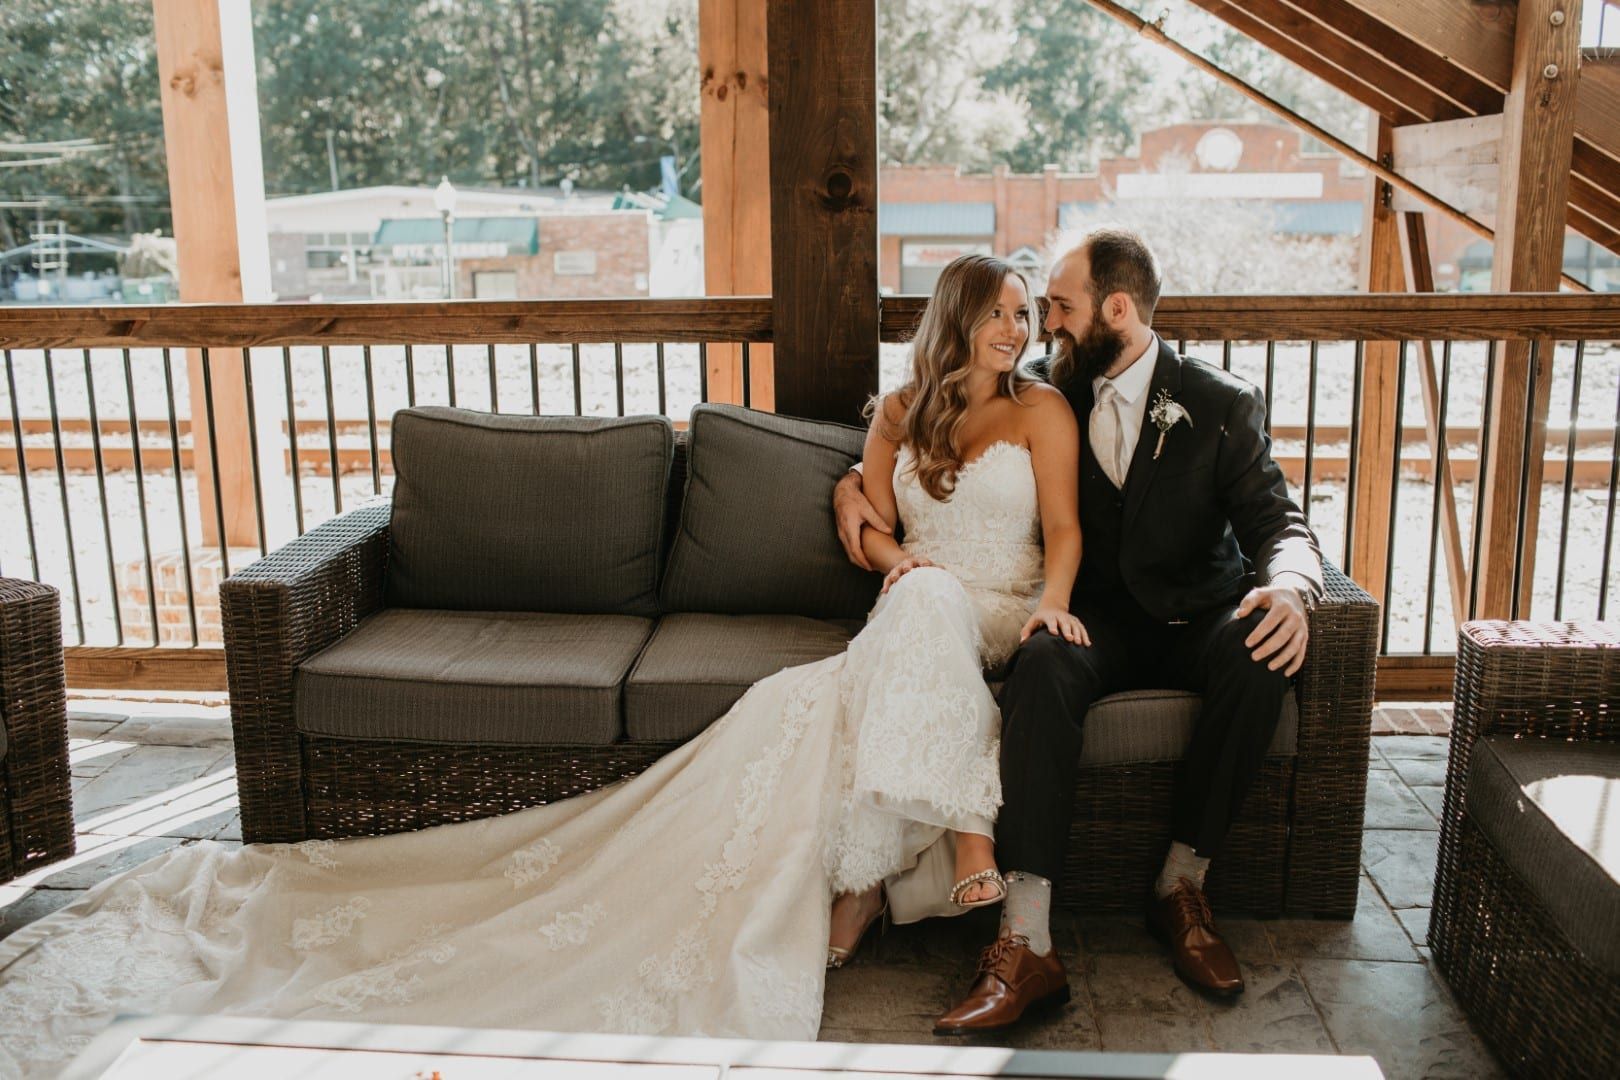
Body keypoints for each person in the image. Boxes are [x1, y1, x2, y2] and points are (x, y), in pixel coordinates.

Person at [0, 254, 1080, 1077]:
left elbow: (1064, 535)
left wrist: (1052, 612)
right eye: (1000, 314)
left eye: (1027, 317)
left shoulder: (1042, 410)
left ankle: (871, 882)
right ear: (958, 319)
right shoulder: (901, 413)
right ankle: (879, 877)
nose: (1017, 331)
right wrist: (878, 536)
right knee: (886, 636)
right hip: (919, 607)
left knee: (893, 636)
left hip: (1000, 609)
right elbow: (873, 527)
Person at [835, 226, 1323, 1034]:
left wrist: (1295, 588)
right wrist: (851, 490)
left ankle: (1182, 885)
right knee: (1040, 662)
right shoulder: (1056, 385)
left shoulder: (1218, 402)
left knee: (1259, 649)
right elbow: (934, 435)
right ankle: (1026, 940)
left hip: (1200, 615)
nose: (1043, 328)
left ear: (1117, 309)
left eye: (1058, 309)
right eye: (1035, 313)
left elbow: (1280, 521)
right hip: (1093, 619)